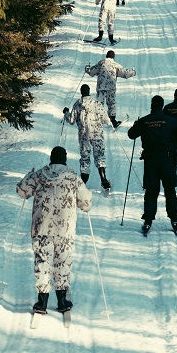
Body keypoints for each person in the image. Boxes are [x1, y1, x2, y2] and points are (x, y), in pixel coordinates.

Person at [16, 146, 92, 314]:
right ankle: (62, 301)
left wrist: (29, 175)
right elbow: (86, 203)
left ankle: (41, 302)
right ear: (65, 159)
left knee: (42, 262)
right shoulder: (73, 177)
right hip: (65, 229)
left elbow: (21, 191)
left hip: (42, 227)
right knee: (63, 262)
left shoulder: (39, 175)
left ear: (51, 158)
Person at [127, 95, 177, 235]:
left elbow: (131, 135)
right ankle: (174, 219)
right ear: (162, 106)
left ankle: (148, 220)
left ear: (151, 106)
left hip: (150, 160)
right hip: (167, 160)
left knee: (151, 191)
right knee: (170, 190)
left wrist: (136, 125)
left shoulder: (144, 121)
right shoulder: (170, 120)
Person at [63, 83, 112, 188]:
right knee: (100, 156)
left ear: (81, 92)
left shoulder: (77, 104)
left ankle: (82, 184)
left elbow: (71, 120)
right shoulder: (97, 103)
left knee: (85, 158)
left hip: (84, 135)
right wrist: (109, 123)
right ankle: (104, 179)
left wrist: (66, 113)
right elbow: (105, 119)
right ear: (89, 92)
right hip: (97, 135)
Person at [85, 49, 136, 128]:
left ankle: (97, 120)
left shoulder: (101, 63)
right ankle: (112, 120)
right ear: (113, 57)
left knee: (99, 103)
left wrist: (87, 68)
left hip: (101, 87)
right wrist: (133, 72)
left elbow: (92, 72)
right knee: (111, 103)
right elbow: (125, 73)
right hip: (111, 87)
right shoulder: (115, 65)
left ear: (106, 56)